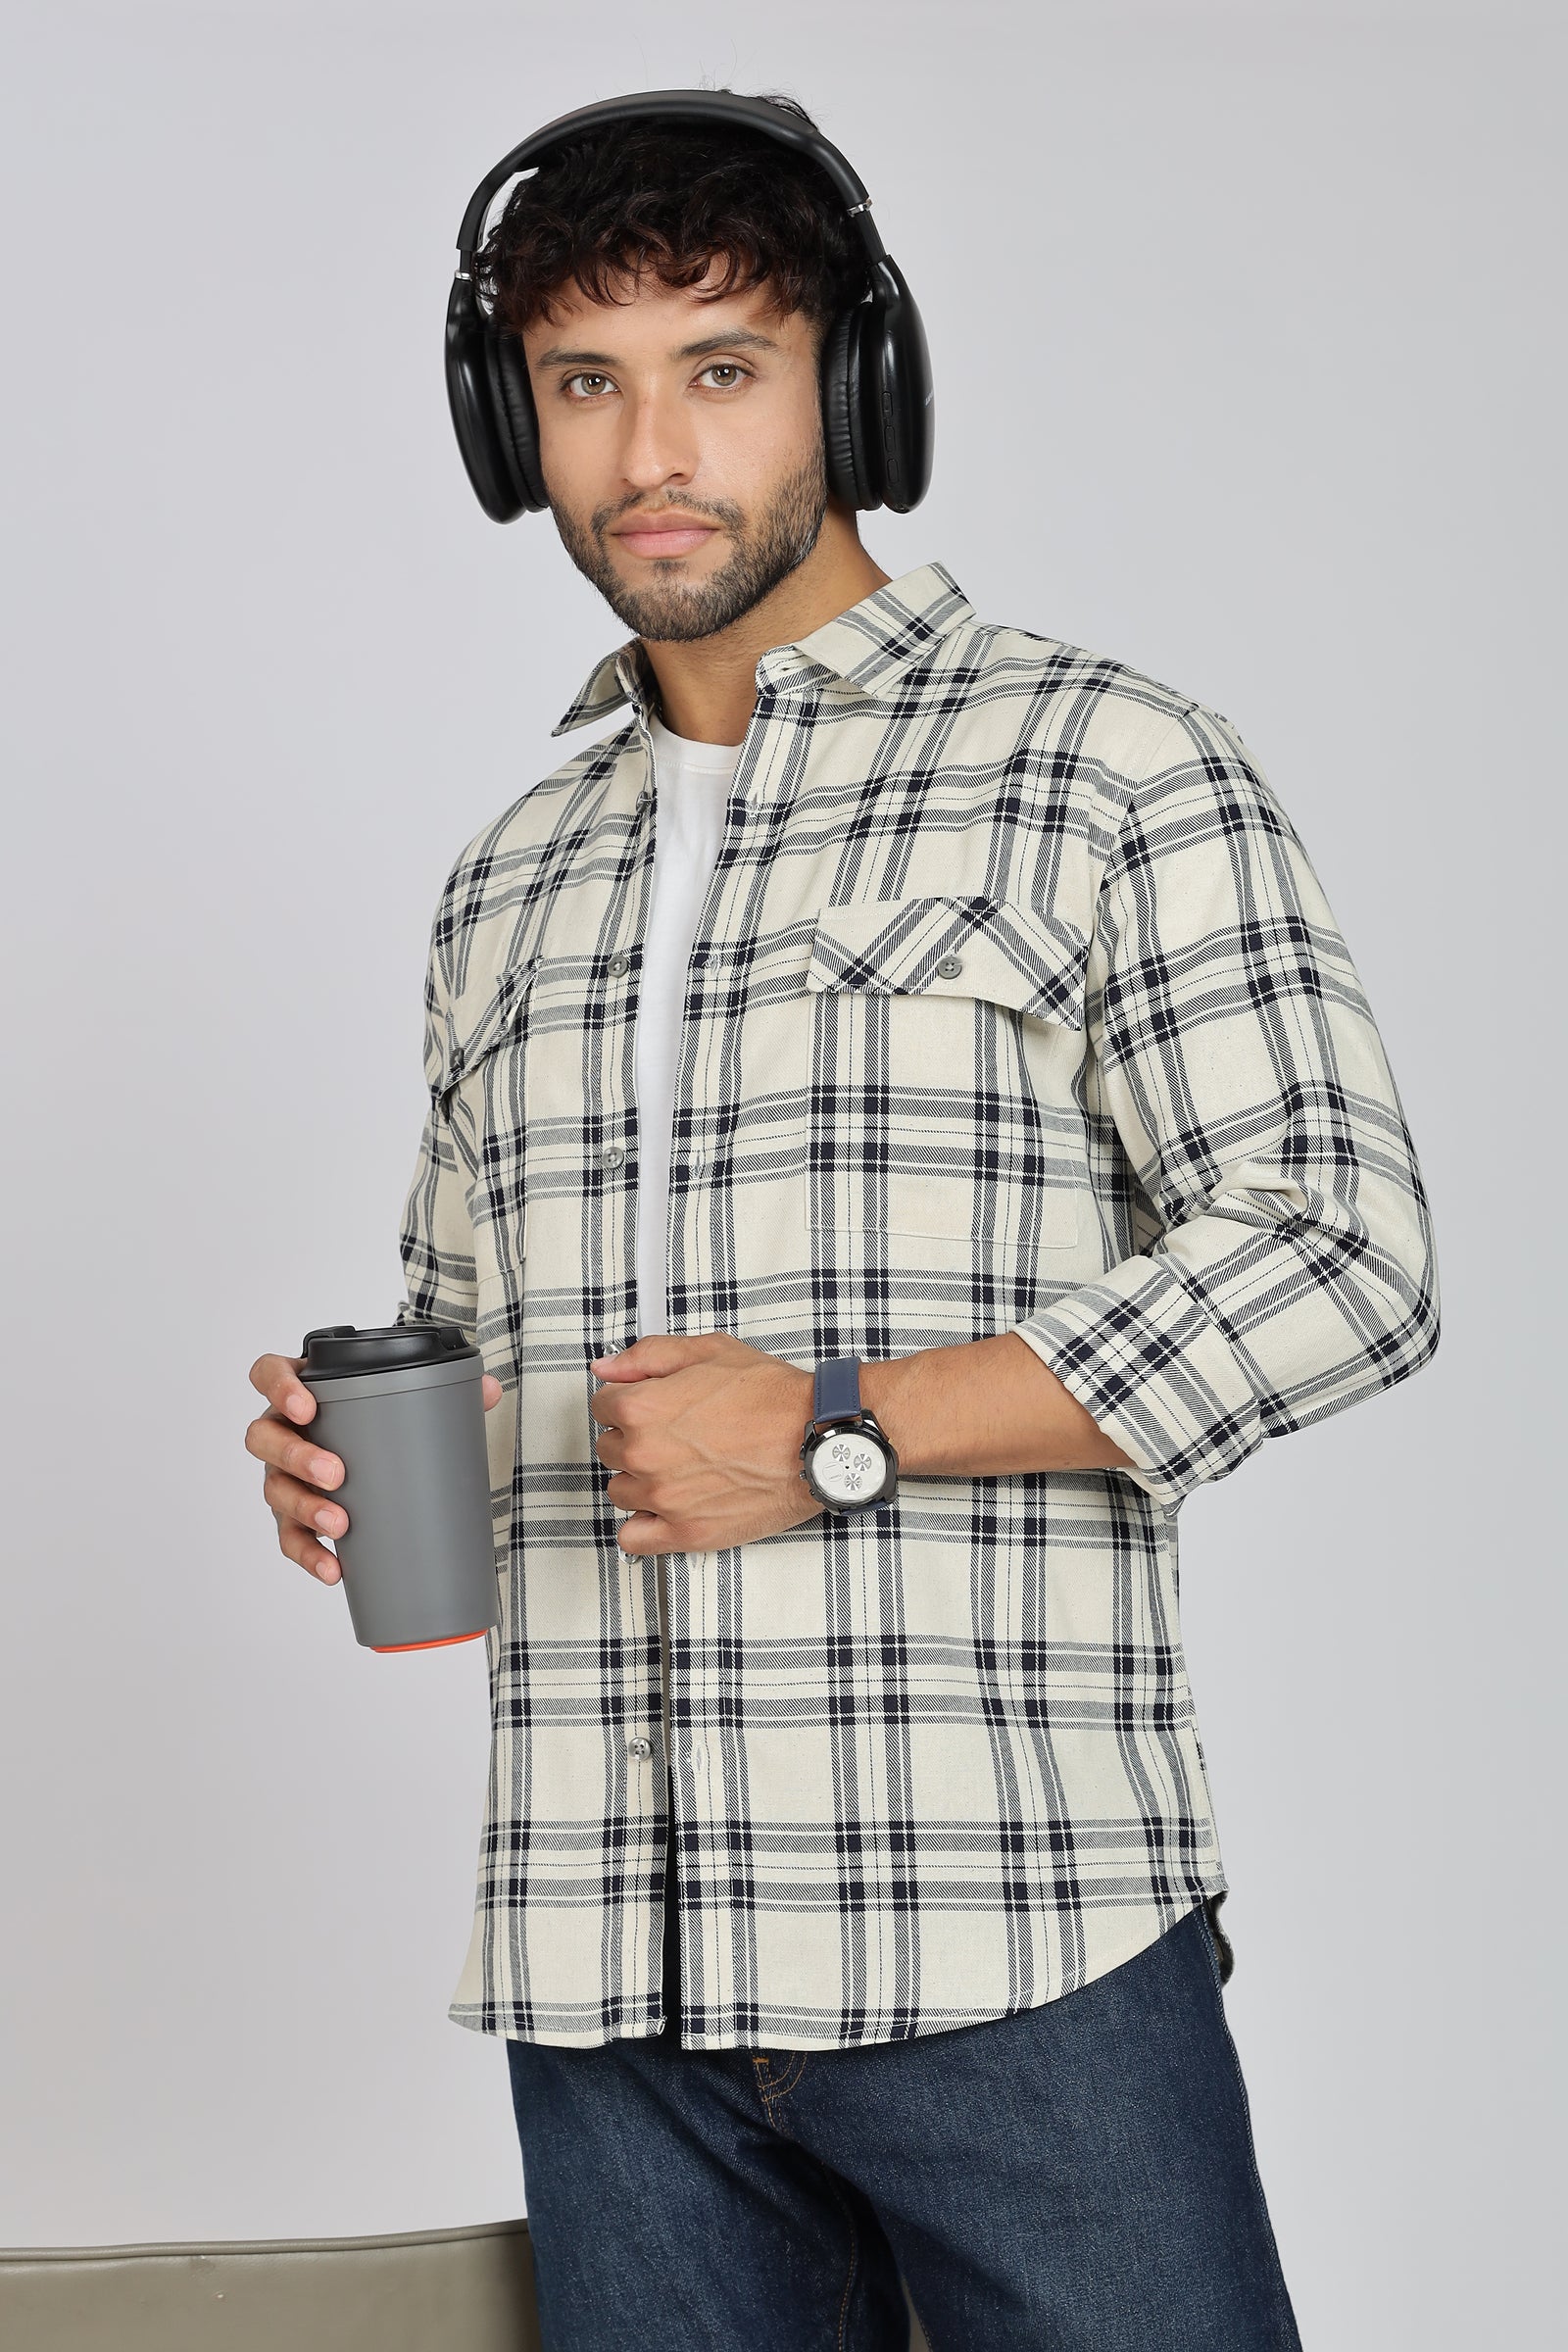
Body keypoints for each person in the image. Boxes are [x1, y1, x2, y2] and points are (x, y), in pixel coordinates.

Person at [245, 88, 1439, 2351]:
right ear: (509, 427)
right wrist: (354, 1465)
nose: (647, 454)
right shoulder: (512, 877)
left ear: (855, 388)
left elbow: (1340, 1257)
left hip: (1007, 1940)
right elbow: (469, 1351)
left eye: (720, 368)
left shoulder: (1102, 765)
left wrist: (838, 1427)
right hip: (606, 1975)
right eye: (581, 384)